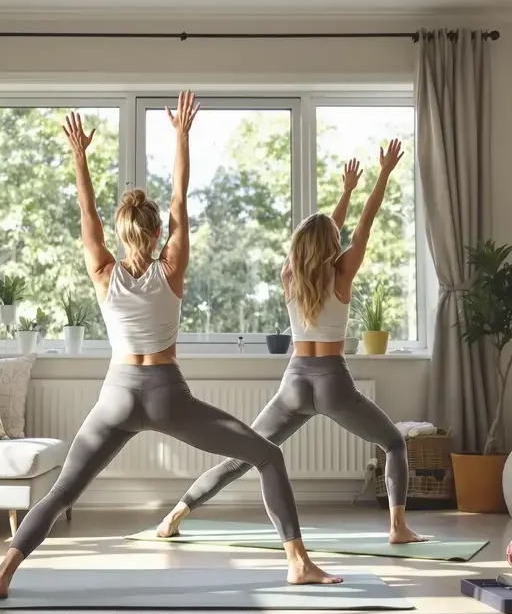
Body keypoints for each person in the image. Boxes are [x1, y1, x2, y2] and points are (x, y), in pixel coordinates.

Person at [0, 91, 337, 598]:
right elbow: (179, 200)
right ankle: (298, 563)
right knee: (268, 456)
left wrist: (79, 156)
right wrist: (182, 135)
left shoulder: (103, 272)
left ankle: (1, 575)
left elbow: (86, 211)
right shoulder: (171, 268)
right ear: (155, 232)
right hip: (168, 396)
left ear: (122, 234)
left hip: (116, 397)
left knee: (61, 492)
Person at [155, 141, 425, 555]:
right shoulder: (343, 274)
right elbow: (364, 225)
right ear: (333, 247)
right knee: (393, 444)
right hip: (334, 382)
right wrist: (381, 175)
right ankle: (398, 527)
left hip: (295, 382)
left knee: (244, 454)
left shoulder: (289, 276)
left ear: (299, 248)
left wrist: (345, 195)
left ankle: (177, 513)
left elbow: (322, 238)